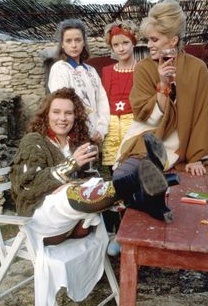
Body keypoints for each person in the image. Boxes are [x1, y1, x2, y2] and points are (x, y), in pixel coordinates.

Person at [10, 87, 171, 305]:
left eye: (68, 113)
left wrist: (83, 173)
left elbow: (89, 180)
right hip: (39, 219)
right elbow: (26, 186)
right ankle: (140, 183)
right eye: (56, 112)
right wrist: (70, 166)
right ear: (46, 114)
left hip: (74, 222)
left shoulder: (74, 143)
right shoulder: (34, 141)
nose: (62, 118)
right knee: (69, 192)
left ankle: (143, 189)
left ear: (75, 116)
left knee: (92, 184)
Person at [114, 0, 208, 179]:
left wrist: (196, 157)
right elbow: (147, 119)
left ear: (173, 40)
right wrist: (163, 85)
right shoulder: (143, 68)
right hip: (147, 137)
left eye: (154, 39)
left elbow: (203, 116)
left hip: (179, 144)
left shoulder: (198, 68)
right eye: (148, 39)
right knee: (125, 175)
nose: (148, 45)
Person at [101, 20, 138, 256]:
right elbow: (103, 101)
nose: (121, 48)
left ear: (133, 42)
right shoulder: (106, 71)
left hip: (133, 126)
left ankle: (133, 229)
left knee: (132, 177)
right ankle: (115, 232)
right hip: (112, 127)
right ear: (111, 47)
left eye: (125, 42)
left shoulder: (143, 68)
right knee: (114, 180)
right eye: (116, 44)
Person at [48, 18, 110, 143]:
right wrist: (86, 130)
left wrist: (101, 129)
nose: (74, 45)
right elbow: (63, 104)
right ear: (62, 44)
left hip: (96, 134)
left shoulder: (91, 71)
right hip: (73, 134)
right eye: (68, 41)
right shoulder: (60, 69)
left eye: (78, 40)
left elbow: (102, 101)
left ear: (84, 43)